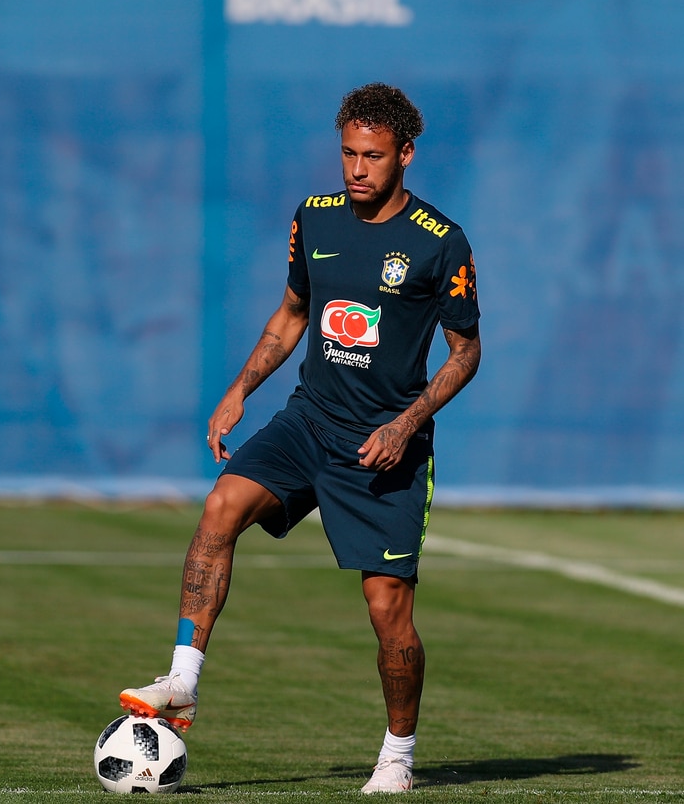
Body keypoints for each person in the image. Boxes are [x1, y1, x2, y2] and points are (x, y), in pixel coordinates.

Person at [120, 83, 481, 794]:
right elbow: (292, 314)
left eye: (373, 156)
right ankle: (183, 681)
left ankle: (398, 755)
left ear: (406, 155)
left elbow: (465, 352)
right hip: (308, 421)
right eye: (348, 153)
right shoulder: (314, 218)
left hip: (384, 448)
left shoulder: (441, 242)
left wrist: (406, 423)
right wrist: (239, 389)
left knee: (388, 609)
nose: (357, 169)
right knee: (221, 506)